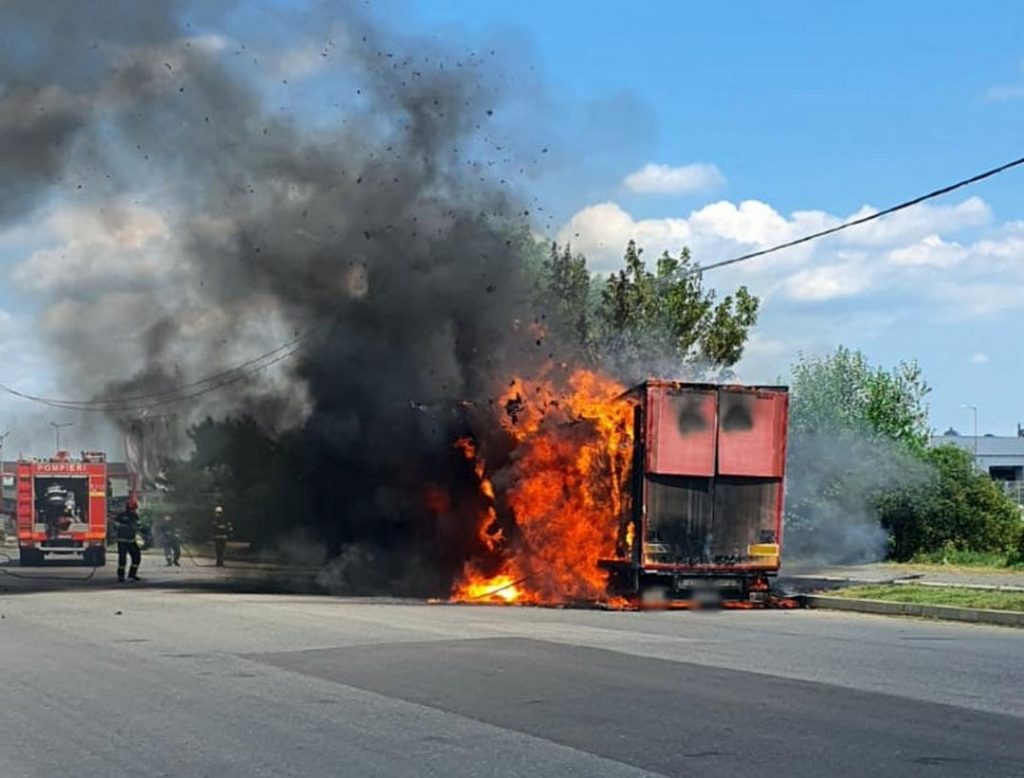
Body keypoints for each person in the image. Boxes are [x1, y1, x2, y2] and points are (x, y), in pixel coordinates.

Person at [113, 497, 142, 582]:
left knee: (136, 557)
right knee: (122, 559)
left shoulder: (135, 516)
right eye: (133, 508)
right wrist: (124, 527)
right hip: (122, 540)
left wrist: (139, 529)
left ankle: (132, 575)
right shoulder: (121, 516)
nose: (134, 510)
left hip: (131, 540)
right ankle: (121, 576)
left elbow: (138, 526)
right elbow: (115, 525)